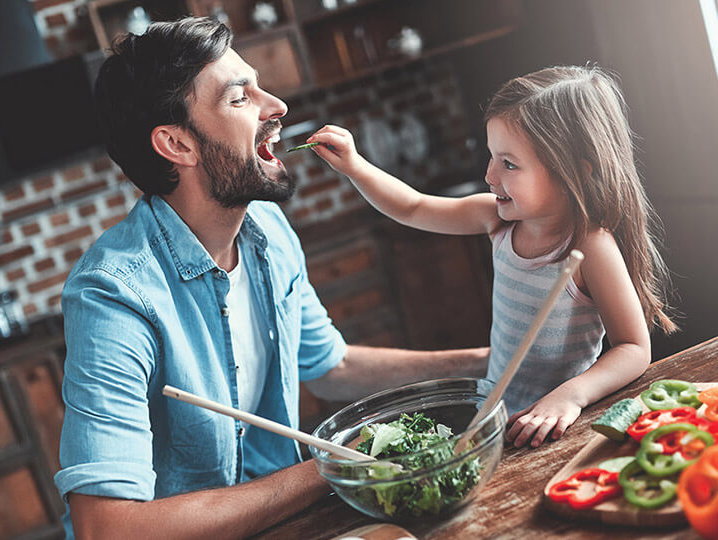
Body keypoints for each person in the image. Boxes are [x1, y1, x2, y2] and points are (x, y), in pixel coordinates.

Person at [55, 17, 488, 540]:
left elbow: (330, 365)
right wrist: (333, 466)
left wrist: (491, 364)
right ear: (177, 143)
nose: (277, 106)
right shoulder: (114, 295)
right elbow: (107, 528)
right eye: (240, 98)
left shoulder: (265, 229)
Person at [306, 65, 677, 451]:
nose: (489, 175)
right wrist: (354, 165)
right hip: (499, 423)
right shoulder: (496, 219)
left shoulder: (589, 246)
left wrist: (571, 396)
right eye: (492, 157)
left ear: (574, 175)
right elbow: (413, 208)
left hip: (559, 429)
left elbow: (633, 349)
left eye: (509, 163)